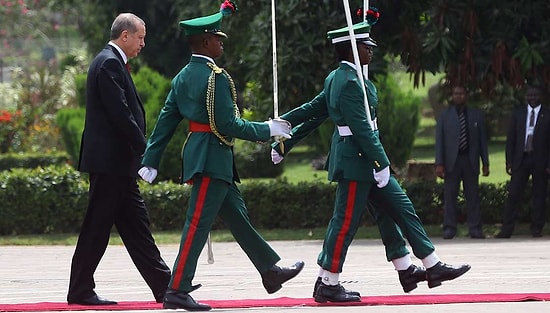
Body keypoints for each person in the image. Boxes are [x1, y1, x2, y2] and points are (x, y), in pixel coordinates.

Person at [271, 20, 471, 303]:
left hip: (364, 160)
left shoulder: (343, 78)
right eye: (366, 47)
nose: (371, 51)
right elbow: (357, 127)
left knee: (399, 209)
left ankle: (424, 266)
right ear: (352, 49)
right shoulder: (349, 83)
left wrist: (285, 136)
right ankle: (327, 282)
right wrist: (382, 162)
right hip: (357, 162)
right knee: (344, 223)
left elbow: (311, 111)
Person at [137, 3, 304, 311]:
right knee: (197, 223)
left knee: (238, 219)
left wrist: (151, 158)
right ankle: (177, 289)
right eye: (217, 38)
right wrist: (267, 128)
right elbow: (229, 124)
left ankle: (270, 271)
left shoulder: (183, 77)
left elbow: (165, 122)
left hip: (207, 157)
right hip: (212, 158)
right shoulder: (215, 77)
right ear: (204, 43)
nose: (221, 43)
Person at [67, 13, 171, 305]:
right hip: (109, 163)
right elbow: (121, 115)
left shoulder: (111, 62)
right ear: (124, 36)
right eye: (140, 37)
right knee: (97, 228)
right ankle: (79, 290)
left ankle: (166, 286)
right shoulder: (109, 63)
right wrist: (146, 150)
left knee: (137, 227)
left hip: (118, 165)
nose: (143, 44)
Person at [435, 85, 490, 239]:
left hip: (470, 161)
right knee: (450, 196)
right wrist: (439, 163)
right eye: (455, 93)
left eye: (461, 93)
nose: (458, 96)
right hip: (452, 162)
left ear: (466, 95)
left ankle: (475, 228)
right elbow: (440, 141)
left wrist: (485, 162)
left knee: (472, 196)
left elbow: (482, 141)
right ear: (452, 96)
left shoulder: (476, 115)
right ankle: (449, 228)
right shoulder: (445, 116)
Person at [496, 85, 550, 238]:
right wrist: (509, 161)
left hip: (540, 160)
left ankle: (536, 228)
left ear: (541, 96)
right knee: (513, 194)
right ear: (526, 97)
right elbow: (511, 139)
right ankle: (507, 229)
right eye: (529, 95)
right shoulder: (518, 114)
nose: (532, 98)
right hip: (521, 159)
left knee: (539, 195)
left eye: (535, 95)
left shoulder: (547, 114)